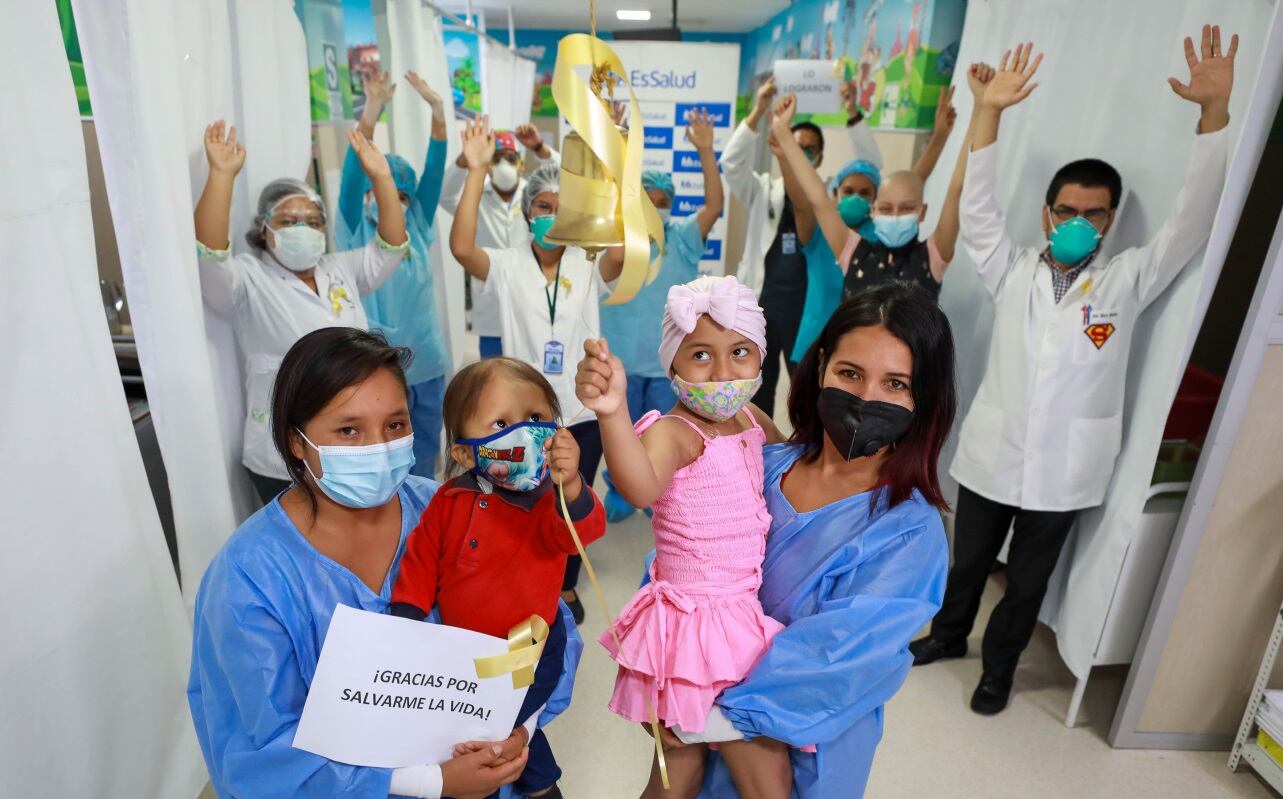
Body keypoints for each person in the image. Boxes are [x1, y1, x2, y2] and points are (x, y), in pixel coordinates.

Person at [910, 30, 1235, 716]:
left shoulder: (1126, 280)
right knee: (966, 561)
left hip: (1064, 466)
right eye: (1066, 211)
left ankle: (997, 670)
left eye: (1092, 214)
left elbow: (1192, 219)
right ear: (1046, 214)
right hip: (994, 450)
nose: (1077, 223)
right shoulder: (1012, 271)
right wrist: (989, 112)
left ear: (1110, 220)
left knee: (1026, 580)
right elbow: (975, 212)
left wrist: (1212, 114)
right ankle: (945, 635)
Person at [189, 327, 581, 799]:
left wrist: (518, 725)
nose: (378, 446)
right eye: (348, 429)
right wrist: (429, 782)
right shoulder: (250, 578)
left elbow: (539, 627)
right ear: (296, 442)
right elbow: (262, 752)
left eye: (395, 425)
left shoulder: (450, 511)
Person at [651, 283, 955, 798]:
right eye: (850, 373)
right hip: (693, 712)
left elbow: (838, 661)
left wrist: (710, 719)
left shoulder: (907, 532)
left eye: (896, 383)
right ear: (819, 370)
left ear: (922, 399)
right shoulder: (761, 465)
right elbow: (682, 562)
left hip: (805, 746)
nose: (865, 398)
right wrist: (663, 677)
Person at [576, 275, 792, 799]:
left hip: (739, 612)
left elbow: (792, 466)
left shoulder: (749, 417)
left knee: (685, 771)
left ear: (761, 358)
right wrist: (613, 415)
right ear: (671, 364)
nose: (722, 373)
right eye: (700, 355)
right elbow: (639, 483)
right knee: (732, 774)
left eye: (740, 352)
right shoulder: (673, 431)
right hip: (695, 628)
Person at [391, 358, 606, 799]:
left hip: (532, 646)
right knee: (470, 741)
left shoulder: (551, 500)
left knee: (507, 733)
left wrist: (570, 487)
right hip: (464, 653)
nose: (525, 433)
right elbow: (421, 559)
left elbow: (581, 533)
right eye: (502, 423)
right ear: (466, 453)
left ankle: (539, 782)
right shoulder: (450, 501)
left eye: (536, 418)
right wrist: (407, 618)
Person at [449, 117, 625, 624]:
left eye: (560, 208)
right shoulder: (505, 265)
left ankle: (564, 586)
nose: (551, 215)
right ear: (528, 214)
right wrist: (477, 170)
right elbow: (462, 248)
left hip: (579, 407)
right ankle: (523, 578)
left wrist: (609, 171)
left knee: (571, 496)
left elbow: (620, 252)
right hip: (521, 413)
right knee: (522, 498)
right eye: (542, 207)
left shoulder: (587, 262)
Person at [194, 120, 409, 504]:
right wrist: (222, 175)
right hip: (281, 451)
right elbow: (210, 254)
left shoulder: (338, 268)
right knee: (301, 541)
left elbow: (391, 246)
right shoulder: (247, 279)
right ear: (264, 229)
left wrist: (381, 178)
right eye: (289, 222)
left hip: (351, 438)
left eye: (312, 222)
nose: (303, 229)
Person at [721, 75, 954, 418]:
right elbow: (806, 198)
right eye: (847, 192)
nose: (857, 200)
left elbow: (908, 185)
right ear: (834, 195)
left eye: (867, 194)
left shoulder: (878, 242)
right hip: (813, 338)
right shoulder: (824, 236)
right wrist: (783, 144)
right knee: (784, 410)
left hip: (868, 351)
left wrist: (940, 139)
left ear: (876, 203)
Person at [598, 109, 723, 523]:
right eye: (647, 201)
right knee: (621, 432)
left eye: (663, 202)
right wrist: (617, 148)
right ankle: (619, 488)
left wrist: (705, 151)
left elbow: (715, 206)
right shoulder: (622, 242)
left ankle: (663, 492)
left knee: (663, 434)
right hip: (622, 361)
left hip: (667, 364)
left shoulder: (683, 238)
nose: (655, 208)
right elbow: (612, 199)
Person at [769, 72, 978, 317]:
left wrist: (981, 109)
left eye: (907, 208)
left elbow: (956, 189)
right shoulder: (856, 253)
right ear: (874, 210)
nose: (896, 215)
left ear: (922, 212)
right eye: (887, 209)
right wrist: (782, 131)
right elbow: (817, 198)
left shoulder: (930, 257)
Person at [337, 69, 449, 480]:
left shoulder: (416, 226)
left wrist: (438, 113)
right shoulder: (354, 227)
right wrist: (372, 110)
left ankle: (420, 524)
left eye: (403, 195)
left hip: (428, 363)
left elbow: (434, 171)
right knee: (379, 458)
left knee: (423, 459)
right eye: (384, 190)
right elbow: (352, 175)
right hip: (375, 367)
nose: (393, 202)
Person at [441, 121, 558, 359]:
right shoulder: (475, 197)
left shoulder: (537, 197)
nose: (504, 165)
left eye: (510, 158)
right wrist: (466, 161)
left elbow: (566, 179)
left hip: (534, 308)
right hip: (491, 310)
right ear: (488, 165)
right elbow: (444, 194)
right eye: (497, 159)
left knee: (532, 379)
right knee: (494, 382)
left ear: (521, 164)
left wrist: (539, 147)